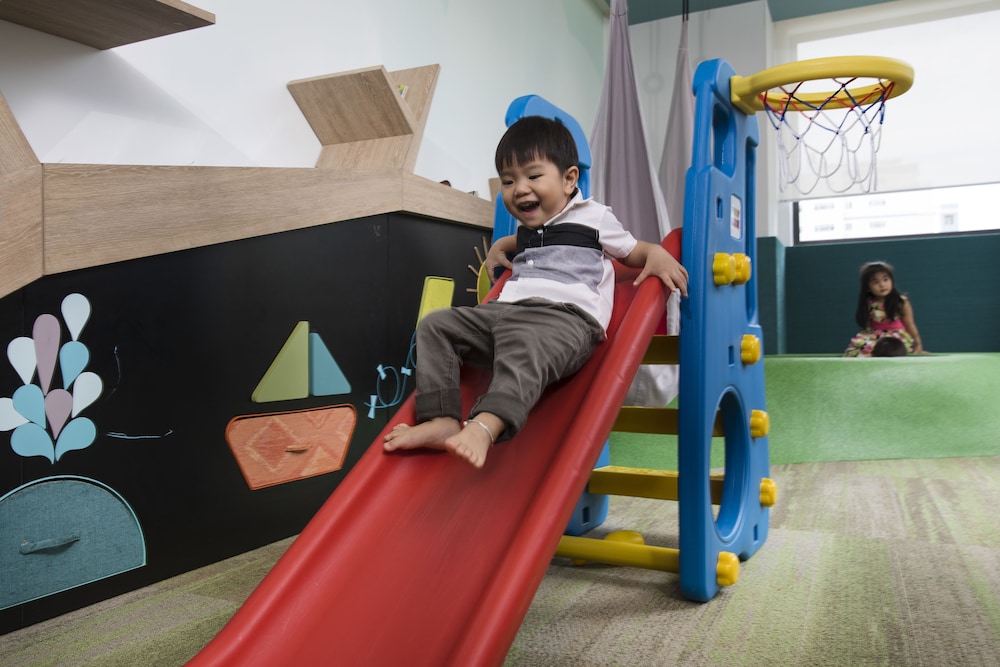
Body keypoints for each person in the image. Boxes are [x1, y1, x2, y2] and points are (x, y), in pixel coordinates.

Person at [384, 115, 689, 468]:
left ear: (569, 180)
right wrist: (500, 245)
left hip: (565, 321)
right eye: (508, 180)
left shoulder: (594, 218)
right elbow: (524, 240)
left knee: (524, 347)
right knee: (436, 325)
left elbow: (632, 250)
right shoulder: (530, 229)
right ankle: (441, 419)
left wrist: (656, 254)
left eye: (533, 176)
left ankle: (484, 426)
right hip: (505, 312)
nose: (519, 188)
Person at [843, 261, 925, 357]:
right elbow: (868, 327)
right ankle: (870, 356)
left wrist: (918, 344)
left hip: (894, 338)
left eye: (885, 280)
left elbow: (910, 324)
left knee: (890, 348)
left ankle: (874, 355)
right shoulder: (869, 303)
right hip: (875, 336)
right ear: (868, 287)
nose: (882, 285)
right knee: (858, 349)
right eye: (875, 282)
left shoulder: (900, 301)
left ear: (892, 281)